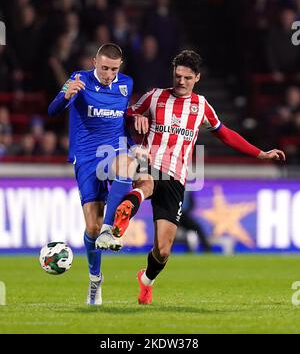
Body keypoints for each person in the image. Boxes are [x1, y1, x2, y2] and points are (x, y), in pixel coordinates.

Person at [110, 50, 286, 305]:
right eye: (177, 75)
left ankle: (146, 280)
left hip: (177, 178)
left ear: (197, 78)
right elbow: (127, 113)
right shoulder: (155, 96)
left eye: (187, 77)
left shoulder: (202, 106)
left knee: (163, 250)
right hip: (149, 162)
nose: (180, 81)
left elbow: (225, 134)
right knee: (146, 183)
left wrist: (260, 154)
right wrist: (136, 117)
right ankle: (125, 212)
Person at [48, 43, 138, 306]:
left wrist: (134, 145)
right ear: (93, 63)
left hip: (113, 152)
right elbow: (52, 111)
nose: (109, 74)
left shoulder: (126, 84)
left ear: (120, 66)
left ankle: (110, 231)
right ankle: (95, 280)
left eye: (113, 69)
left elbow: (122, 120)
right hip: (86, 158)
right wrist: (66, 96)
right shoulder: (78, 80)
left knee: (128, 166)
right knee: (91, 227)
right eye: (104, 68)